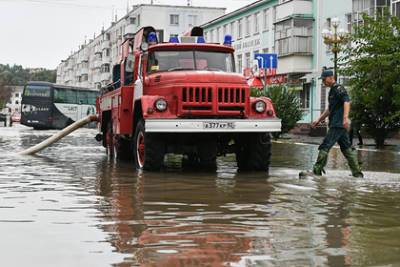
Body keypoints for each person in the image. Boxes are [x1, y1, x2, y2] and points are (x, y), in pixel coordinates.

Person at [311, 69, 363, 177]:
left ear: (330, 78)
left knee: (325, 145)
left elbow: (347, 102)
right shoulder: (332, 91)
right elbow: (330, 109)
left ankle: (316, 171)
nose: (323, 82)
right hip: (338, 124)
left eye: (324, 80)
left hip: (337, 124)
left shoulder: (339, 89)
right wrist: (318, 120)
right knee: (346, 148)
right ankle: (357, 173)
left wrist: (345, 118)